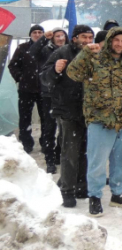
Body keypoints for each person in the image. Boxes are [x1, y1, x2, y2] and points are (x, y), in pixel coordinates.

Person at [67, 27, 122, 217]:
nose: (119, 44)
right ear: (109, 41)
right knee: (97, 163)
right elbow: (73, 73)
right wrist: (84, 53)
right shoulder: (94, 61)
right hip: (100, 121)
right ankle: (95, 197)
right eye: (116, 40)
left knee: (120, 161)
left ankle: (117, 194)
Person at [41, 25, 94, 208]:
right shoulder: (62, 52)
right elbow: (44, 78)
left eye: (90, 37)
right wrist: (55, 70)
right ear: (74, 38)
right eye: (84, 37)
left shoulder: (95, 54)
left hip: (89, 112)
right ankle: (67, 190)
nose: (87, 41)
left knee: (86, 152)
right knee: (70, 152)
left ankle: (81, 186)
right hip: (67, 110)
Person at [30, 27, 69, 173]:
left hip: (65, 95)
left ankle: (58, 153)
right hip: (48, 94)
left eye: (62, 36)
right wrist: (43, 39)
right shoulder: (45, 50)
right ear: (52, 39)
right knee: (49, 128)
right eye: (57, 36)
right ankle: (50, 159)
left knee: (65, 129)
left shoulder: (69, 51)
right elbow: (32, 52)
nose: (60, 38)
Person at [8, 24, 45, 154]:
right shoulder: (22, 48)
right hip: (26, 89)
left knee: (46, 118)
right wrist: (20, 77)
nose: (37, 34)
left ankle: (45, 143)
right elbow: (13, 65)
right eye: (34, 32)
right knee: (25, 118)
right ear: (30, 34)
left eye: (40, 32)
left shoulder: (47, 48)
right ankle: (26, 143)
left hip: (44, 89)